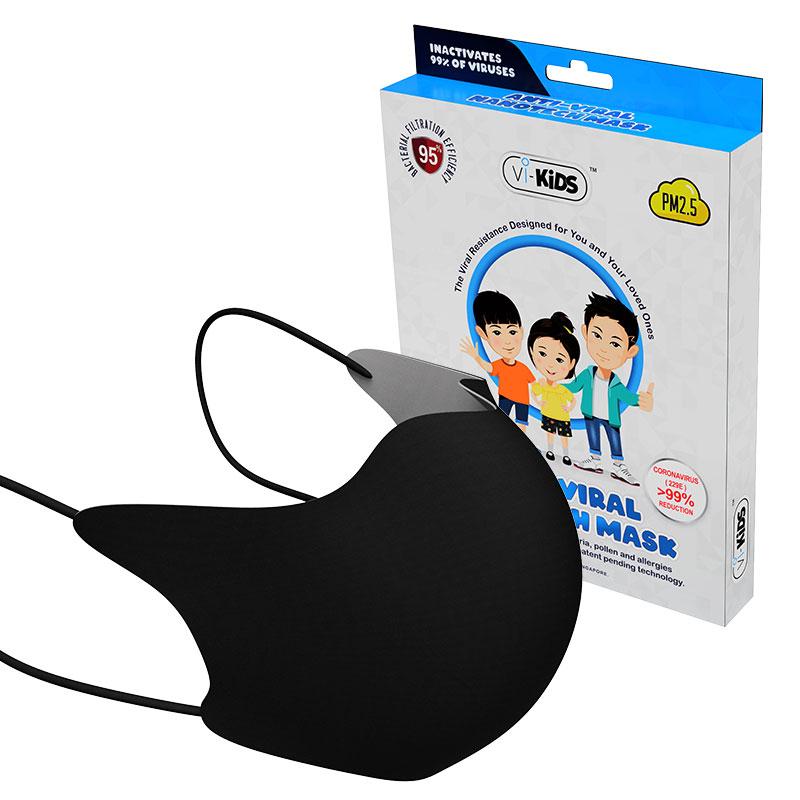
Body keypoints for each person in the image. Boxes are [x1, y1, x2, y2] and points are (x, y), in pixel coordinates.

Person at [564, 293, 654, 486]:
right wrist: (557, 386)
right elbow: (574, 386)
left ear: (630, 351)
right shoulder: (588, 374)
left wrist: (641, 400)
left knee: (614, 440)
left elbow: (627, 397)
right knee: (593, 437)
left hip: (610, 418)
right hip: (590, 414)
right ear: (585, 332)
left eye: (615, 343)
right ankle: (594, 459)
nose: (604, 349)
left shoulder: (615, 382)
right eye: (597, 335)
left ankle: (619, 465)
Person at [460, 291, 533, 431]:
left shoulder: (523, 368)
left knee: (522, 423)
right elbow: (489, 368)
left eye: (512, 332)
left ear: (521, 331)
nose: (507, 341)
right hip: (505, 397)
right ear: (482, 334)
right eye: (497, 332)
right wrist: (476, 357)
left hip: (523, 400)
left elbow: (534, 384)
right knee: (503, 421)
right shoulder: (499, 365)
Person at [528, 312, 580, 465]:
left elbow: (573, 400)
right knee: (549, 434)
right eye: (542, 353)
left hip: (562, 417)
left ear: (571, 363)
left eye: (559, 359)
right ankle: (550, 451)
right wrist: (539, 402)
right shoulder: (542, 385)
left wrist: (568, 408)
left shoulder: (562, 390)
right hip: (548, 414)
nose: (550, 365)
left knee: (564, 437)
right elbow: (533, 391)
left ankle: (566, 455)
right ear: (531, 351)